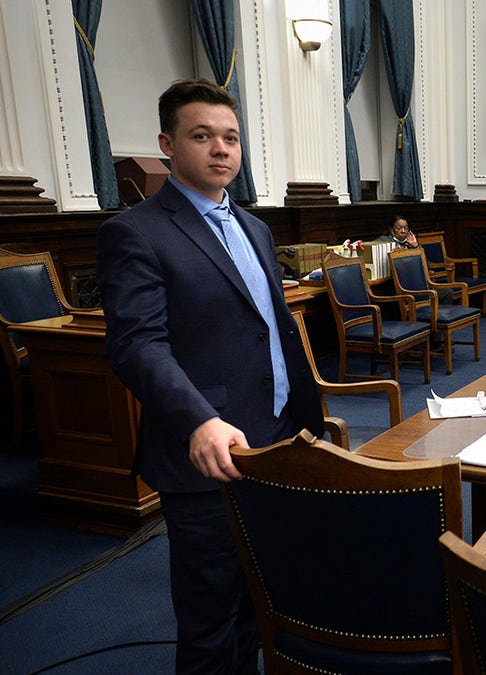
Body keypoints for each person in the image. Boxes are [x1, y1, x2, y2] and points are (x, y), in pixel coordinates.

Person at [96, 79, 323, 674]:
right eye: (202, 136)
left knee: (263, 599)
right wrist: (199, 418)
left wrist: (305, 417)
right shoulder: (135, 232)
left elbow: (268, 328)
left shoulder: (255, 228)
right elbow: (136, 346)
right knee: (209, 621)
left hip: (275, 440)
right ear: (168, 144)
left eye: (231, 138)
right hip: (208, 454)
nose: (220, 149)